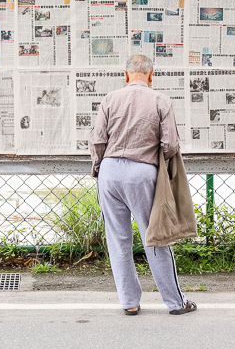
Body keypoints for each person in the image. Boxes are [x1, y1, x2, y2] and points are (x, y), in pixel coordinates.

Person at [89, 54, 197, 316]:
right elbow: (171, 145)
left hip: (109, 171)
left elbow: (97, 140)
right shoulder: (161, 100)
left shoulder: (110, 99)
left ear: (126, 76)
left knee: (118, 240)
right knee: (156, 236)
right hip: (143, 173)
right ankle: (175, 303)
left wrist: (99, 169)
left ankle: (129, 302)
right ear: (151, 75)